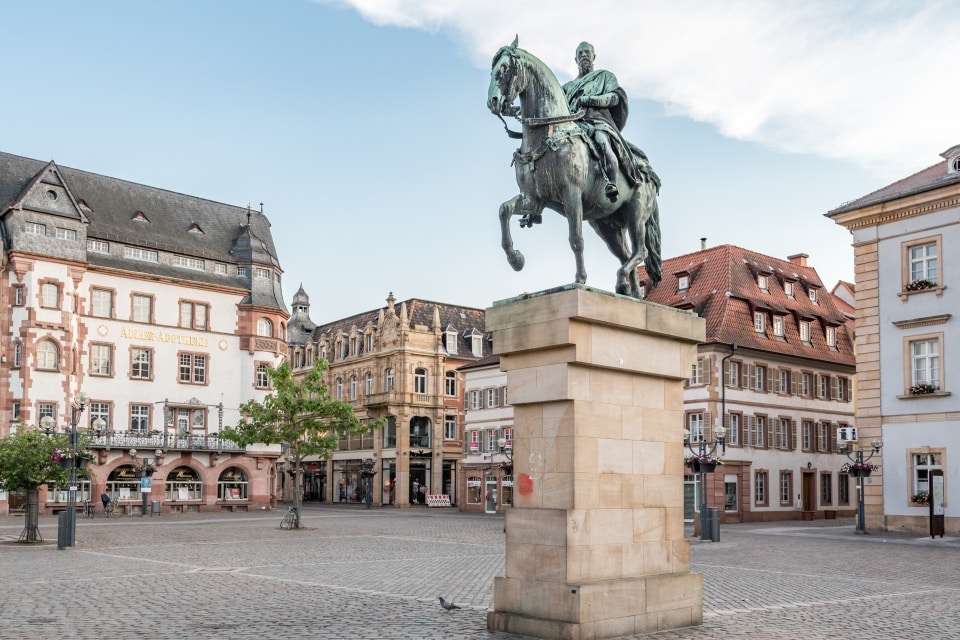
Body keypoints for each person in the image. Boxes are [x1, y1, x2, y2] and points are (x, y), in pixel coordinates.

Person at [562, 42, 657, 204]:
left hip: (598, 122)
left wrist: (589, 99)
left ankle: (611, 182)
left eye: (587, 53)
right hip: (572, 126)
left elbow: (614, 98)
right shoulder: (566, 88)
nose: (584, 56)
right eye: (580, 54)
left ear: (594, 57)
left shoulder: (605, 76)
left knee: (601, 140)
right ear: (575, 59)